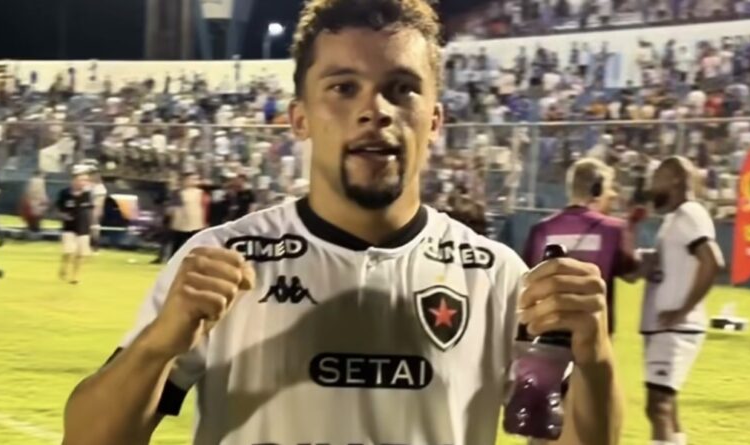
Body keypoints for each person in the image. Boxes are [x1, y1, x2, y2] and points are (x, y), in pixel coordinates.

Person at [62, 1, 622, 445]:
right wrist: (158, 346)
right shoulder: (224, 260)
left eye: (402, 88)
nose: (374, 109)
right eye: (343, 86)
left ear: (434, 119)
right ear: (299, 118)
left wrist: (594, 357)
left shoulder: (495, 277)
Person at [635, 156, 723, 445]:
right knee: (667, 408)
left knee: (657, 406)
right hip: (664, 327)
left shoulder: (690, 213)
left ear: (675, 179)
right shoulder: (674, 218)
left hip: (675, 328)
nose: (652, 185)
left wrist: (682, 310)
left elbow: (712, 261)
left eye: (657, 177)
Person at [522, 158, 639, 336]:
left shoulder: (541, 229)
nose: (613, 195)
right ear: (598, 189)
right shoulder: (614, 230)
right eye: (610, 188)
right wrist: (632, 226)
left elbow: (526, 278)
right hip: (592, 333)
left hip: (546, 328)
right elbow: (631, 274)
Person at [56, 168, 94, 284]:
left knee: (81, 254)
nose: (84, 183)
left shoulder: (88, 195)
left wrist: (92, 224)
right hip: (69, 227)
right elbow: (58, 209)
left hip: (83, 228)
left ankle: (75, 277)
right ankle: (64, 267)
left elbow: (90, 210)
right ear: (74, 180)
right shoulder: (64, 193)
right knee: (69, 251)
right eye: (81, 180)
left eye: (86, 180)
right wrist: (63, 216)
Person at [167, 172, 207, 258]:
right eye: (191, 179)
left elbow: (205, 207)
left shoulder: (201, 193)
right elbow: (172, 208)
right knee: (177, 245)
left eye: (196, 179)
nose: (194, 181)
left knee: (194, 246)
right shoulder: (177, 193)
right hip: (179, 223)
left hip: (196, 223)